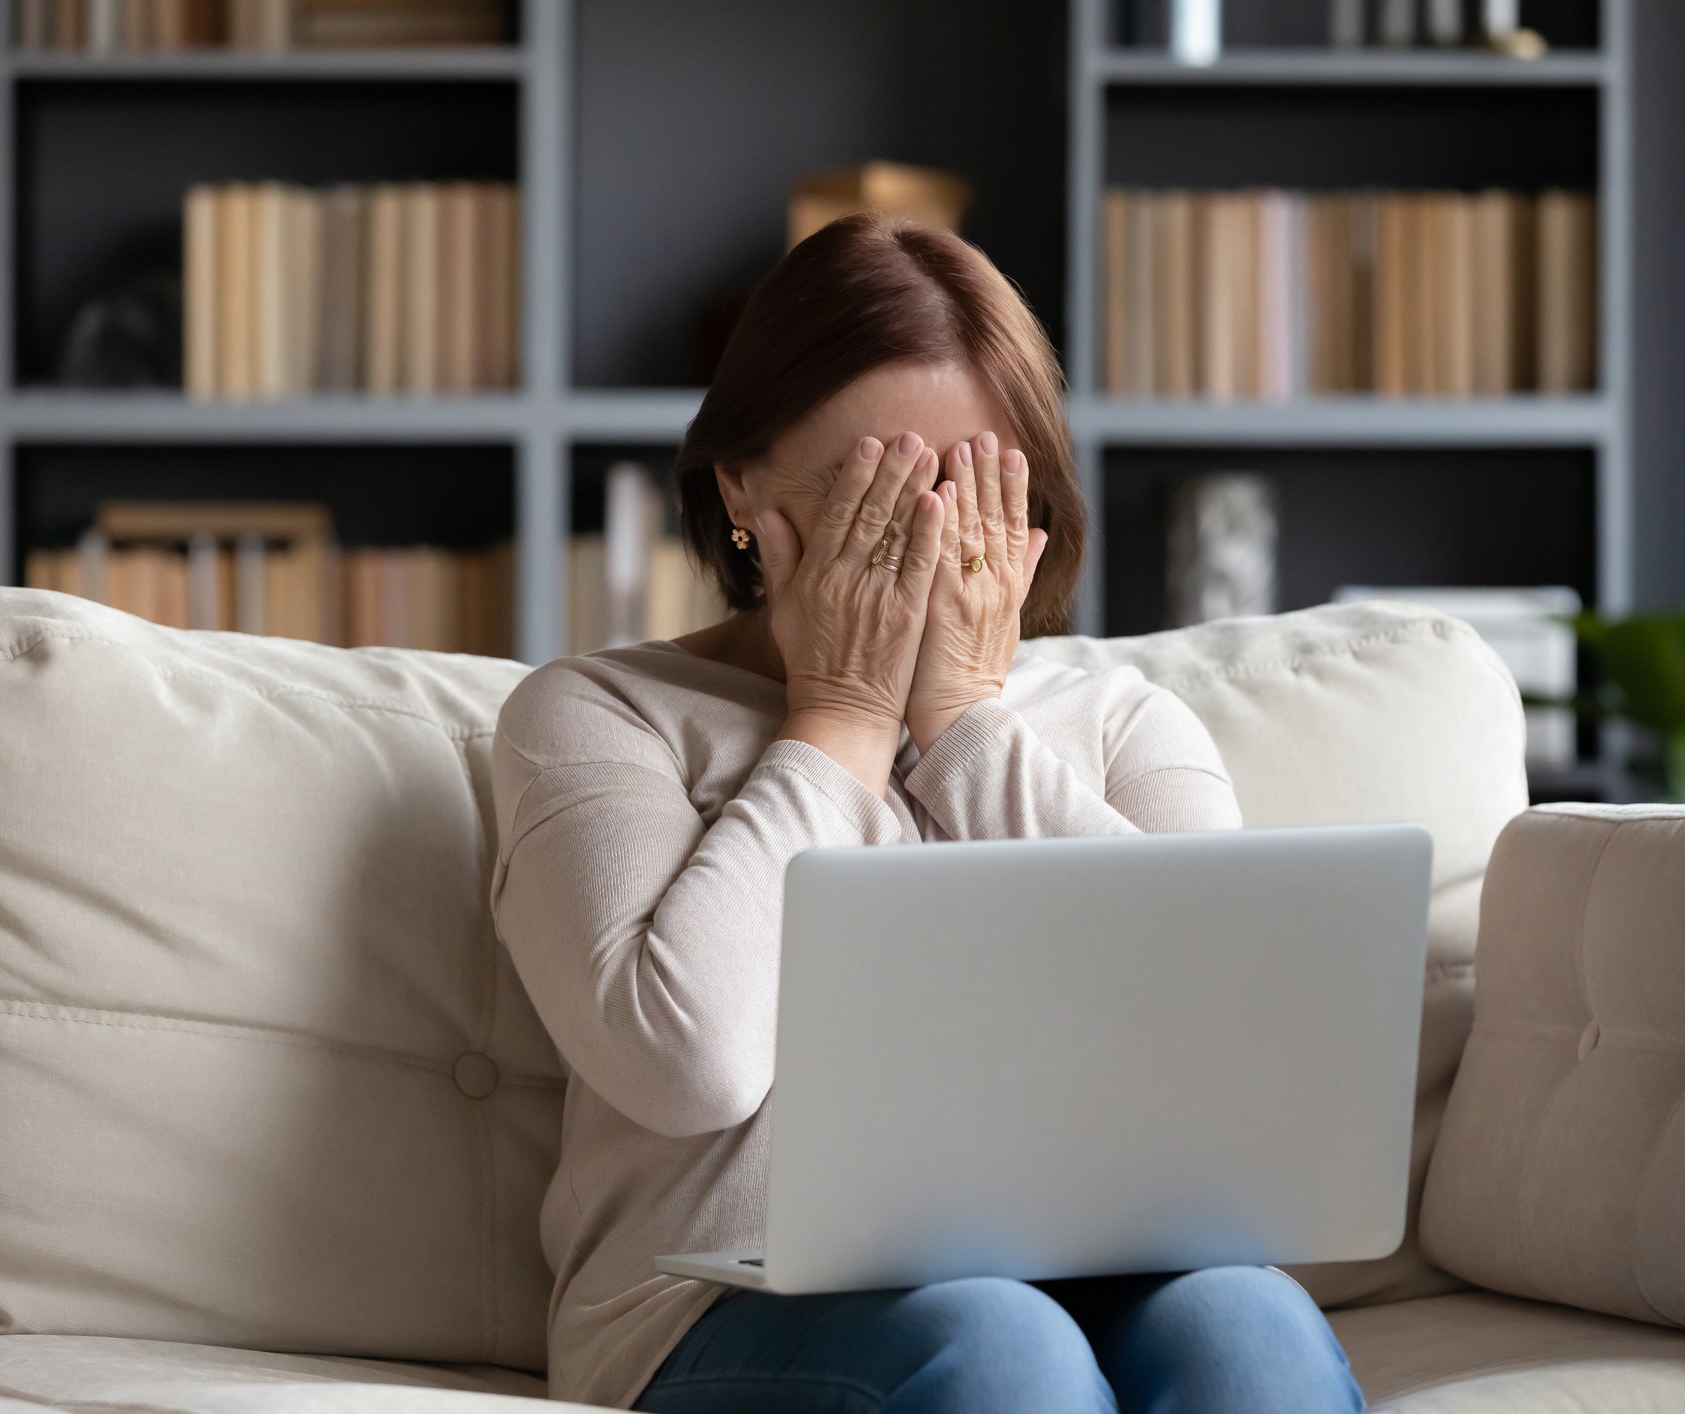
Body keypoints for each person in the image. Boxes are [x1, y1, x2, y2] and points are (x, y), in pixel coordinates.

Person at [488, 213, 1366, 1414]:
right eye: (876, 492)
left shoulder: (1121, 722)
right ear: (741, 485)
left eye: (964, 490)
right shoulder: (598, 717)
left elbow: (1212, 1044)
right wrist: (840, 717)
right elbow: (687, 1062)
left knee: (1249, 1321)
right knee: (999, 1343)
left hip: (1097, 1268)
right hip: (713, 1311)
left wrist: (962, 723)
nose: (926, 540)